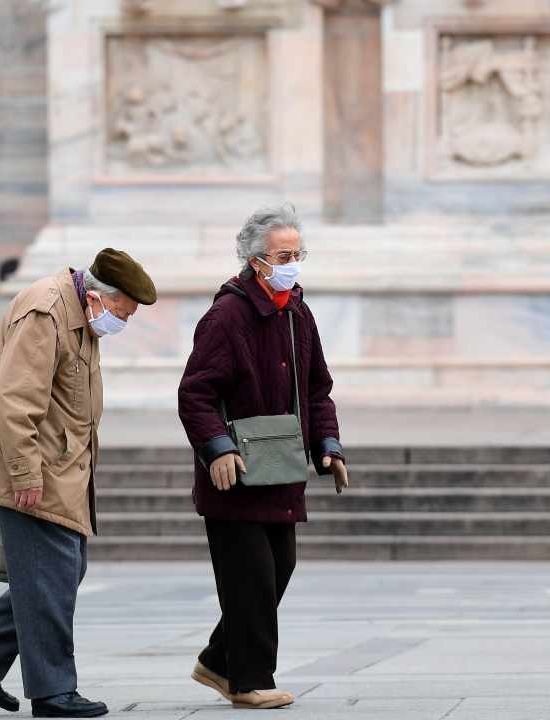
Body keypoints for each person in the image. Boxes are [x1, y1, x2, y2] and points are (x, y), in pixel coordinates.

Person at [0, 249, 157, 718]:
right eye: (123, 313)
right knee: (51, 577)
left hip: (61, 470)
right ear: (104, 298)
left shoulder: (79, 310)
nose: (122, 323)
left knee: (57, 574)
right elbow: (14, 400)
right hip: (35, 473)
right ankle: (53, 691)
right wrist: (24, 472)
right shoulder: (47, 311)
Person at [178, 204, 349, 710]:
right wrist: (216, 448)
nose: (292, 263)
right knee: (249, 577)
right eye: (283, 255)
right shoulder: (226, 315)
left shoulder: (297, 312)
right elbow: (195, 394)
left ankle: (217, 659)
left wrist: (329, 446)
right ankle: (248, 680)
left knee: (279, 566)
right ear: (256, 261)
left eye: (298, 254)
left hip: (283, 469)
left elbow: (318, 389)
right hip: (236, 473)